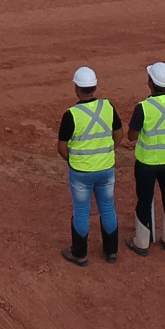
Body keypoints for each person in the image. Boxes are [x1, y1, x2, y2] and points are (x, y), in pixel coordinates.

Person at [58, 65, 121, 266]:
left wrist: (73, 159)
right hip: (106, 168)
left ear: (76, 88)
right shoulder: (108, 107)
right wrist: (106, 152)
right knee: (108, 208)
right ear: (94, 87)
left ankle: (79, 253)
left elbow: (61, 147)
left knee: (82, 211)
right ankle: (111, 252)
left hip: (81, 172)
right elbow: (118, 134)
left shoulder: (71, 114)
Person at [127, 62, 165, 256]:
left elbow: (132, 136)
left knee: (144, 199)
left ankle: (142, 243)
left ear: (150, 82)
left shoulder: (143, 107)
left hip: (146, 163)